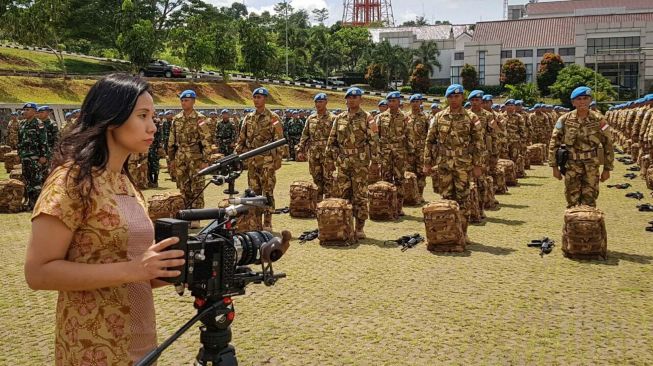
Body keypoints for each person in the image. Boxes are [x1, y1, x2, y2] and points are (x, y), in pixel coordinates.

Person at [24, 74, 185, 365]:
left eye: (154, 116)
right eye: (143, 116)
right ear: (112, 118)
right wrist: (134, 269)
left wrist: (176, 266)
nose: (153, 126)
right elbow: (38, 273)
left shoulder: (125, 182)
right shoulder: (71, 181)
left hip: (140, 343)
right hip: (93, 346)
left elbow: (136, 270)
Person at [424, 84, 484, 238]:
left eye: (457, 96)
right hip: (444, 163)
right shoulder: (438, 117)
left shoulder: (471, 117)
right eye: (450, 97)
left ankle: (462, 232)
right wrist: (427, 162)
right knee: (446, 198)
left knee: (463, 198)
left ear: (462, 97)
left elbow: (478, 142)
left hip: (463, 164)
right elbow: (429, 141)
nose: (454, 99)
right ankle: (448, 232)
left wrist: (478, 165)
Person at [548, 86, 614, 208]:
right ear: (573, 102)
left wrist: (607, 169)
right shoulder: (564, 120)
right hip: (571, 165)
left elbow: (608, 144)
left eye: (585, 98)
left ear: (590, 101)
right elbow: (554, 143)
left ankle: (589, 225)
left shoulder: (599, 120)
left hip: (592, 165)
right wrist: (554, 167)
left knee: (590, 199)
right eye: (578, 99)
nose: (582, 101)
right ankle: (573, 225)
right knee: (572, 199)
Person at [326, 87, 378, 238]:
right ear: (346, 100)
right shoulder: (339, 118)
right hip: (343, 163)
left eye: (356, 97)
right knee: (343, 194)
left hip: (360, 163)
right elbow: (332, 140)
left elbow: (374, 141)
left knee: (360, 195)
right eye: (350, 97)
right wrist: (329, 160)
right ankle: (345, 225)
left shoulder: (367, 118)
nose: (352, 100)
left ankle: (360, 227)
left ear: (360, 100)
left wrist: (375, 162)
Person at [235, 87, 284, 231]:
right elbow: (241, 139)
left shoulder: (273, 118)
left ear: (265, 99)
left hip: (267, 161)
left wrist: (278, 159)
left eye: (259, 97)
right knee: (253, 193)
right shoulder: (248, 118)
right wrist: (237, 155)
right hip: (252, 162)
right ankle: (255, 222)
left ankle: (267, 221)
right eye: (254, 97)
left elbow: (279, 140)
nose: (256, 100)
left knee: (267, 191)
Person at [167, 90, 213, 228]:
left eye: (186, 100)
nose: (183, 102)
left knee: (197, 187)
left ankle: (196, 217)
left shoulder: (200, 118)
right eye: (182, 100)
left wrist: (206, 160)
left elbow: (206, 140)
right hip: (181, 158)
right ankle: (186, 215)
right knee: (183, 187)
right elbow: (171, 141)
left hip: (196, 158)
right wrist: (172, 160)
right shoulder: (177, 119)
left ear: (193, 101)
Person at [375, 91, 415, 216]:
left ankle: (399, 207)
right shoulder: (381, 117)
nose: (392, 103)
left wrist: (411, 152)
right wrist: (376, 153)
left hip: (399, 153)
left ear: (399, 102)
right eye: (390, 101)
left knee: (399, 180)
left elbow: (409, 135)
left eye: (394, 101)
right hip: (385, 153)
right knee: (385, 180)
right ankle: (387, 206)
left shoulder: (404, 117)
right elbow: (376, 136)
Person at [297, 93, 336, 199]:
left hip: (327, 154)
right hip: (314, 154)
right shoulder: (311, 118)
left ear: (326, 102)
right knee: (316, 179)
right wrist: (300, 150)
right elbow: (305, 135)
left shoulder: (333, 118)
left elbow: (337, 137)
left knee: (328, 179)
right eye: (316, 102)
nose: (318, 104)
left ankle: (328, 204)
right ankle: (317, 204)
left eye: (321, 102)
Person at [18, 102, 50, 210]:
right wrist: (19, 154)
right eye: (24, 110)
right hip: (25, 157)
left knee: (36, 181)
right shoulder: (22, 124)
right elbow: (20, 141)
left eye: (28, 110)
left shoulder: (39, 124)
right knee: (26, 180)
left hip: (35, 157)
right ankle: (29, 203)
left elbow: (43, 141)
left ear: (34, 111)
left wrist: (44, 156)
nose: (25, 112)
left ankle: (37, 204)